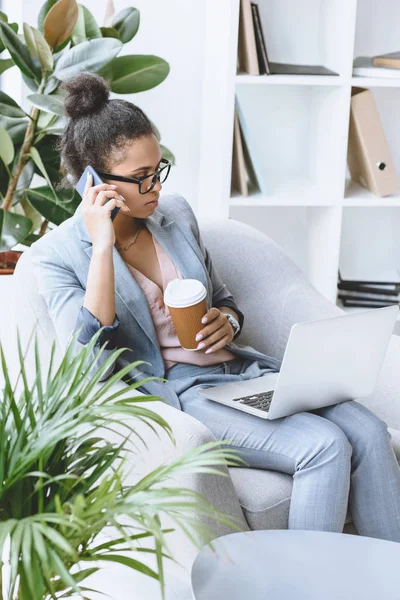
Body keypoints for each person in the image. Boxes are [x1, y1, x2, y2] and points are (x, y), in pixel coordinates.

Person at [30, 72, 400, 542]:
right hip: (185, 393)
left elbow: (223, 299)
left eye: (158, 170)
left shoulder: (175, 215)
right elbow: (85, 364)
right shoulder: (59, 255)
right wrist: (101, 247)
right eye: (141, 178)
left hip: (241, 375)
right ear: (94, 183)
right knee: (323, 447)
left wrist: (227, 322)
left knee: (368, 430)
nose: (155, 188)